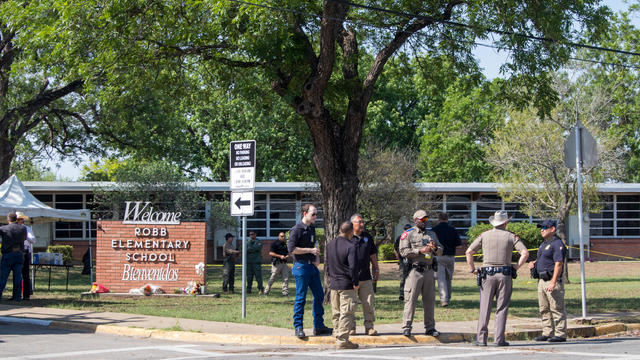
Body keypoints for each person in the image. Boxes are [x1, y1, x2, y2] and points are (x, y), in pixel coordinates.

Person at [466, 210, 529, 347]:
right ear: (505, 222)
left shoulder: (484, 235)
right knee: (502, 307)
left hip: (487, 275)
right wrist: (516, 267)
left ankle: (481, 339)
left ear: (494, 222)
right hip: (504, 274)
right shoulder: (511, 236)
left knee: (485, 307)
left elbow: (469, 251)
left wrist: (472, 269)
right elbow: (525, 252)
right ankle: (499, 339)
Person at [288, 203, 332, 338]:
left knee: (319, 295)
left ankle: (319, 326)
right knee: (301, 297)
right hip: (300, 267)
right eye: (313, 214)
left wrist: (316, 257)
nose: (315, 216)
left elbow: (314, 246)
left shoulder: (311, 228)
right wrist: (309, 250)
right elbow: (291, 250)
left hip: (312, 267)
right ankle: (298, 327)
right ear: (304, 213)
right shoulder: (296, 230)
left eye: (316, 214)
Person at [399, 210, 443, 337]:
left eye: (426, 219)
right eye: (422, 220)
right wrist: (420, 250)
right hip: (415, 271)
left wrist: (435, 248)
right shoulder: (408, 234)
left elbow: (440, 250)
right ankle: (407, 327)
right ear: (415, 220)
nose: (425, 222)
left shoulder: (432, 234)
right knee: (410, 300)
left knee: (429, 301)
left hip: (429, 270)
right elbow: (404, 251)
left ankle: (430, 327)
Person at [529, 219, 567, 343]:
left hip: (551, 280)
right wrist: (534, 264)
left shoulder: (557, 244)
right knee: (544, 308)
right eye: (541, 228)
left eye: (545, 228)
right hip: (541, 280)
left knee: (556, 308)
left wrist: (553, 282)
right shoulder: (544, 244)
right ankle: (547, 332)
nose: (542, 230)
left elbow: (558, 264)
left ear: (552, 229)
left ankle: (560, 334)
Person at [326, 221, 359, 349]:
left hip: (334, 283)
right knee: (347, 312)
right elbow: (353, 267)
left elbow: (327, 265)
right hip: (346, 284)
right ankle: (343, 340)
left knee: (336, 311)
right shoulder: (351, 246)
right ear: (351, 232)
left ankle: (336, 333)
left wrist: (331, 279)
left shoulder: (330, 245)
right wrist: (355, 282)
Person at [348, 213, 379, 336]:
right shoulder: (347, 237)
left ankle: (369, 327)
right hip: (350, 278)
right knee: (350, 305)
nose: (362, 224)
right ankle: (351, 327)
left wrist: (376, 269)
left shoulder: (367, 237)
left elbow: (373, 255)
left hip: (365, 277)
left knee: (368, 303)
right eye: (359, 222)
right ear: (352, 224)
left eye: (362, 222)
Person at [432, 212, 461, 307]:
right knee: (449, 278)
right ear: (447, 219)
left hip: (438, 256)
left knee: (441, 279)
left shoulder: (434, 230)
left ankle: (444, 299)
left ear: (438, 219)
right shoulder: (453, 229)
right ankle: (448, 297)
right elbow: (459, 245)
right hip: (450, 257)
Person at [0, 212, 27, 301]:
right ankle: (17, 296)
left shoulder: (4, 228)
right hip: (19, 254)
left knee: (3, 276)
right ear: (16, 219)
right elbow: (25, 238)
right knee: (18, 276)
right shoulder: (23, 228)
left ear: (8, 220)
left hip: (8, 254)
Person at [16, 212, 36, 300]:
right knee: (17, 274)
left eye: (21, 219)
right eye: (18, 219)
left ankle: (26, 295)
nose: (20, 221)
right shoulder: (13, 228)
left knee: (25, 274)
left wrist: (26, 237)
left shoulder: (27, 229)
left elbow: (33, 240)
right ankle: (17, 294)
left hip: (24, 251)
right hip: (15, 251)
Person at [265, 231, 290, 296]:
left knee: (286, 278)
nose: (283, 237)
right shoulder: (275, 243)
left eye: (284, 236)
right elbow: (270, 253)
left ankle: (285, 293)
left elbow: (287, 252)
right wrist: (280, 256)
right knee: (273, 278)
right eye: (281, 236)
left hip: (284, 263)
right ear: (278, 236)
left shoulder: (285, 244)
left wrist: (287, 255)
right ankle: (266, 291)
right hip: (277, 263)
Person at [394, 223, 412, 301]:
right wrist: (398, 258)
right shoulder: (400, 238)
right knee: (403, 278)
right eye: (406, 229)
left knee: (412, 278)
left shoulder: (412, 238)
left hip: (412, 261)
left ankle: (410, 294)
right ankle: (402, 294)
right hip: (402, 261)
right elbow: (395, 248)